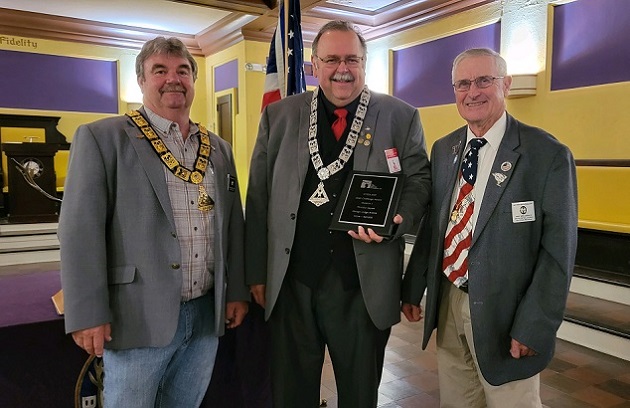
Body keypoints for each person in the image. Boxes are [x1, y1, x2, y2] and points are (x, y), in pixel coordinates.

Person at [245, 20, 431, 408]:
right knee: (291, 394)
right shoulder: (278, 116)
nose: (342, 68)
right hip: (292, 283)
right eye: (331, 59)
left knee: (359, 395)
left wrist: (397, 221)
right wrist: (256, 272)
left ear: (365, 63)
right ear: (314, 65)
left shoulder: (400, 116)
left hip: (362, 288)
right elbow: (259, 199)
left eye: (351, 59)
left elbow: (419, 182)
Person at [58, 36, 249, 408]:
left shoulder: (218, 148)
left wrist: (236, 290)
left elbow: (233, 228)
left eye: (182, 71)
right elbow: (80, 232)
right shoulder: (103, 138)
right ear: (142, 81)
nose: (172, 79)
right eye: (159, 70)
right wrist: (87, 313)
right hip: (137, 316)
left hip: (206, 314)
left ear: (194, 80)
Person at [402, 48, 578, 407]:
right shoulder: (444, 149)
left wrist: (535, 323)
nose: (473, 92)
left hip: (507, 313)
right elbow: (436, 228)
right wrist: (412, 287)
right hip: (449, 302)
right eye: (462, 84)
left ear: (506, 85)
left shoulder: (546, 155)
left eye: (484, 80)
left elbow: (558, 252)